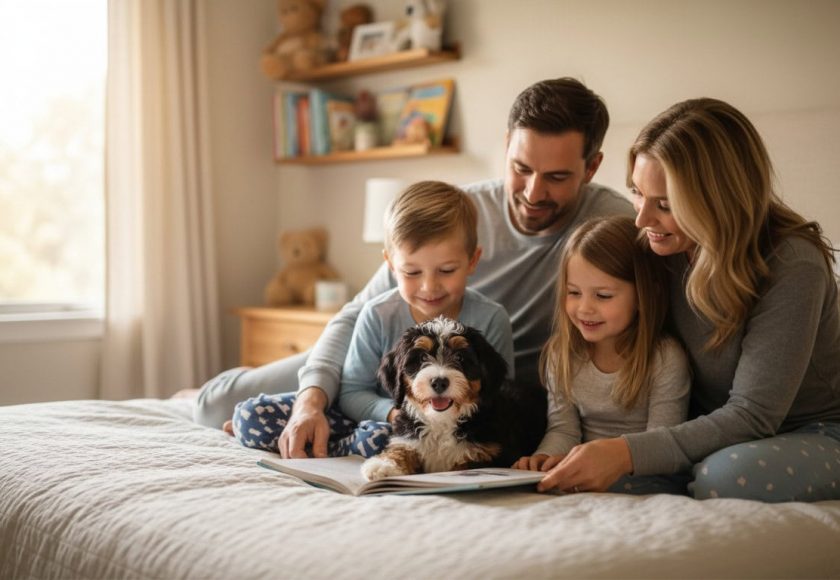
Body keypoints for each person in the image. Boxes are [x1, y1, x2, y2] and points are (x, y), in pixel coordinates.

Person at [195, 77, 633, 459]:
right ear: (506, 146)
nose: (533, 193)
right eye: (521, 169)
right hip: (387, 359)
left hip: (463, 387)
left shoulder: (612, 226)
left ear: (591, 167)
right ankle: (215, 391)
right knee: (214, 407)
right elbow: (355, 314)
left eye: (556, 177)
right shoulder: (460, 213)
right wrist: (309, 401)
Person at [536, 98, 840, 502]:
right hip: (707, 426)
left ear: (718, 199)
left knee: (725, 477)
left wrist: (627, 453)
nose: (642, 219)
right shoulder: (662, 246)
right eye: (637, 193)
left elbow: (754, 414)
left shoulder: (792, 265)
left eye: (665, 204)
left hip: (813, 430)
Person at [227, 180, 514, 457]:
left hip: (443, 432)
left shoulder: (491, 319)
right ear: (390, 265)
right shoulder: (377, 314)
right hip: (377, 416)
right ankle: (324, 441)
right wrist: (390, 413)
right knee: (251, 417)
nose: (429, 287)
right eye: (412, 272)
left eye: (447, 270)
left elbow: (499, 394)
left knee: (376, 440)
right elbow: (352, 392)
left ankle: (340, 448)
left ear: (472, 261)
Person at [514, 215, 690, 495]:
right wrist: (544, 459)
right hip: (584, 479)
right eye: (574, 293)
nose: (584, 308)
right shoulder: (562, 354)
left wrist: (602, 474)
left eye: (603, 296)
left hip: (648, 477)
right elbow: (564, 430)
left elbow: (662, 445)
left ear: (644, 295)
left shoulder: (664, 358)